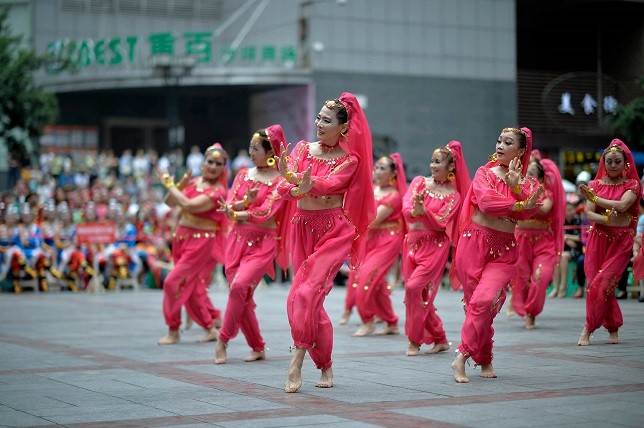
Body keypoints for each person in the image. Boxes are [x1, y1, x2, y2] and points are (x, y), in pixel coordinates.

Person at [277, 93, 376, 393]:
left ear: (344, 129)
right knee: (303, 299)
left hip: (333, 231)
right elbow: (284, 187)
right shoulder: (304, 149)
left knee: (307, 294)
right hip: (302, 227)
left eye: (327, 120)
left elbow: (332, 184)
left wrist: (304, 183)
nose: (319, 123)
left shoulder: (350, 159)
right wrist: (294, 187)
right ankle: (326, 364)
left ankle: (296, 362)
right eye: (318, 118)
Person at [451, 127, 542, 383]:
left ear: (521, 151)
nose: (500, 145)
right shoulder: (484, 173)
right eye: (499, 140)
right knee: (477, 307)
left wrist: (516, 189)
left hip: (504, 250)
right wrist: (517, 203)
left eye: (508, 142)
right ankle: (485, 358)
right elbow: (486, 202)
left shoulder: (528, 183)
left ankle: (462, 355)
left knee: (484, 301)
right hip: (473, 243)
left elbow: (529, 212)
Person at [214, 125, 292, 364]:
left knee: (239, 287)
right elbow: (228, 206)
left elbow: (268, 211)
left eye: (255, 148)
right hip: (236, 241)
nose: (250, 152)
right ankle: (257, 347)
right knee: (242, 295)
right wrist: (240, 207)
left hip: (263, 243)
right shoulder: (243, 175)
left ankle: (223, 340)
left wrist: (242, 210)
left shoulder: (281, 181)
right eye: (250, 147)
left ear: (270, 152)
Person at [155, 144, 229, 345]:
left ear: (224, 168)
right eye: (210, 161)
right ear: (203, 163)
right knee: (191, 285)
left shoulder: (219, 192)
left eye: (218, 164)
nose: (213, 166)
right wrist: (178, 185)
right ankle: (209, 326)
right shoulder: (194, 181)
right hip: (181, 238)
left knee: (172, 282)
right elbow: (170, 202)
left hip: (201, 242)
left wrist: (169, 183)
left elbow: (188, 206)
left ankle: (173, 329)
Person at [402, 141, 470, 355]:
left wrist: (424, 212)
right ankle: (439, 337)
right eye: (432, 161)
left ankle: (414, 340)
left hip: (435, 246)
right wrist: (415, 211)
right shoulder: (419, 182)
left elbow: (441, 223)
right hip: (412, 243)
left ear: (451, 167)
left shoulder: (455, 196)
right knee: (415, 293)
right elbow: (405, 208)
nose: (432, 165)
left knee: (413, 289)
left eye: (438, 162)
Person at [576, 139, 640, 346]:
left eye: (617, 161)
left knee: (604, 283)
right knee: (596, 284)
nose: (612, 165)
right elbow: (588, 213)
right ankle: (613, 326)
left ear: (625, 164)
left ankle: (588, 327)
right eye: (609, 161)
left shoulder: (632, 185)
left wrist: (594, 198)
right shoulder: (595, 185)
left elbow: (622, 206)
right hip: (598, 239)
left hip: (621, 240)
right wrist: (604, 218)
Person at [351, 153, 407, 337]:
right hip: (370, 239)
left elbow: (373, 220)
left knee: (364, 278)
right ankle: (391, 322)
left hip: (388, 240)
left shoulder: (393, 196)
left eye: (382, 168)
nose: (377, 171)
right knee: (377, 283)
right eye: (376, 167)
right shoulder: (371, 190)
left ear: (392, 174)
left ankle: (367, 321)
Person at [510, 155, 565, 329]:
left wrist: (530, 200)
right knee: (522, 278)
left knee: (541, 276)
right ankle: (525, 311)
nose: (528, 177)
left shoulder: (546, 193)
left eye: (532, 174)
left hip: (543, 241)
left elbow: (546, 209)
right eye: (526, 173)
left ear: (541, 178)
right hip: (521, 240)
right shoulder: (516, 191)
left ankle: (531, 311)